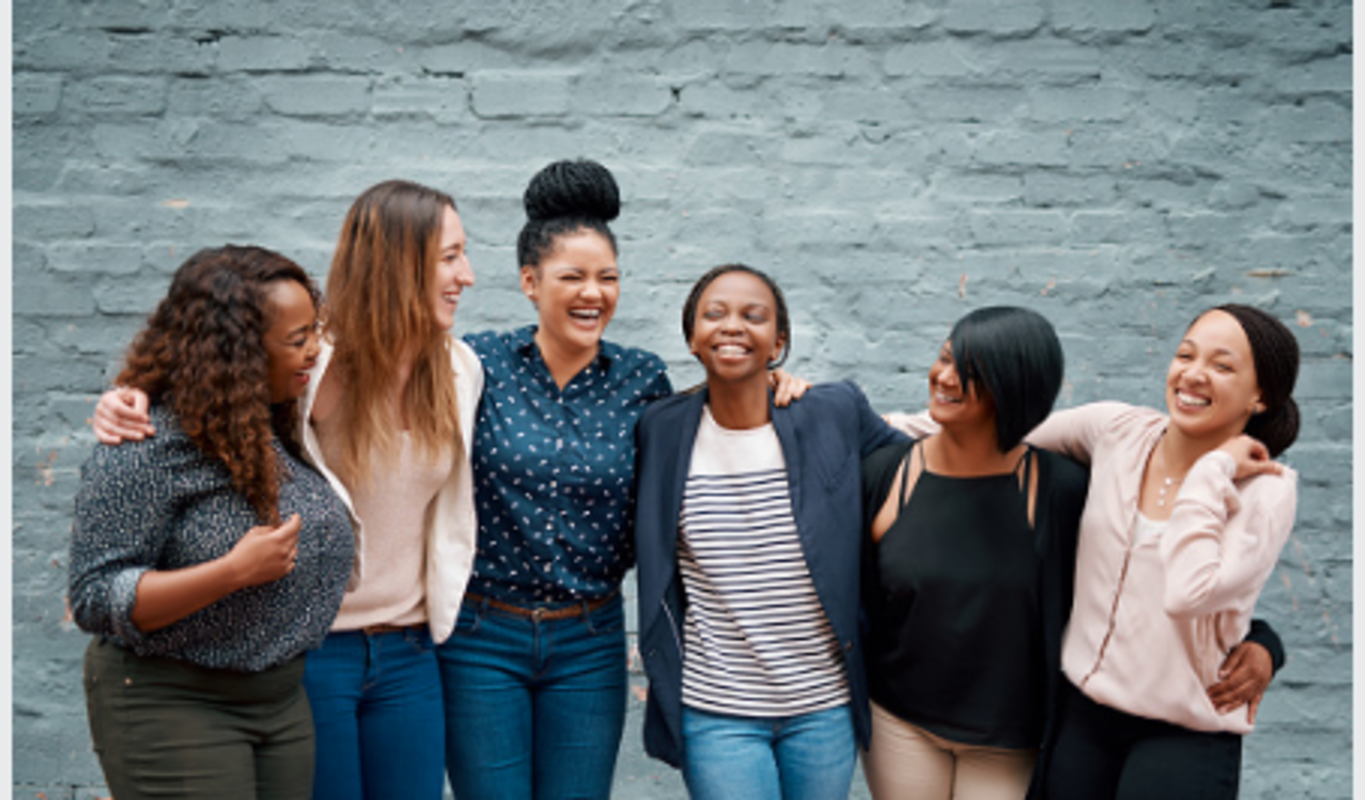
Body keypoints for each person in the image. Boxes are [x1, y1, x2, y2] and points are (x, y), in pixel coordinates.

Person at [89, 180, 481, 800]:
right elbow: (211, 376)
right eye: (450, 257)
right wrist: (125, 394)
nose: (468, 275)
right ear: (396, 264)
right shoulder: (311, 367)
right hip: (314, 651)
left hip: (408, 650)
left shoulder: (461, 370)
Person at [885, 303, 1297, 799]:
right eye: (1185, 354)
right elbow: (991, 432)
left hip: (1182, 730)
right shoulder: (1117, 432)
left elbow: (1190, 593)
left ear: (1262, 397)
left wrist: (1213, 474)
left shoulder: (1267, 490)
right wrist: (829, 416)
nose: (1193, 374)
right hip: (1081, 717)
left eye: (1222, 365)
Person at [69, 245, 354, 800]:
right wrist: (230, 572)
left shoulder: (270, 422)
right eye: (298, 340)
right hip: (174, 697)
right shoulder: (146, 444)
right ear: (240, 353)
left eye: (314, 330)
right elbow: (95, 595)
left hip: (279, 698)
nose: (315, 351)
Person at [633, 264, 907, 800]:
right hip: (717, 712)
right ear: (692, 338)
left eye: (752, 317)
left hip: (822, 707)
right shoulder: (660, 429)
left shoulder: (830, 411)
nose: (732, 326)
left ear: (778, 342)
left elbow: (919, 464)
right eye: (714, 314)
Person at [859, 307, 1087, 800]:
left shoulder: (1060, 489)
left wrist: (1259, 640)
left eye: (971, 371)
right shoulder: (884, 474)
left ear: (1014, 386)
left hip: (1007, 740)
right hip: (900, 724)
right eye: (945, 358)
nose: (945, 377)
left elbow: (1132, 578)